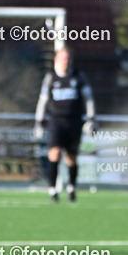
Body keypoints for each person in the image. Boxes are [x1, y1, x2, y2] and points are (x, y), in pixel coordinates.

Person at [34, 47, 96, 202]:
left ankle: (71, 188)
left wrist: (91, 119)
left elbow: (89, 99)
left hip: (74, 121)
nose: (65, 61)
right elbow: (42, 101)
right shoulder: (51, 78)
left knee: (71, 158)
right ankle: (53, 190)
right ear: (56, 60)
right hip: (56, 121)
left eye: (67, 58)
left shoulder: (78, 77)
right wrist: (39, 121)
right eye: (62, 58)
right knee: (54, 154)